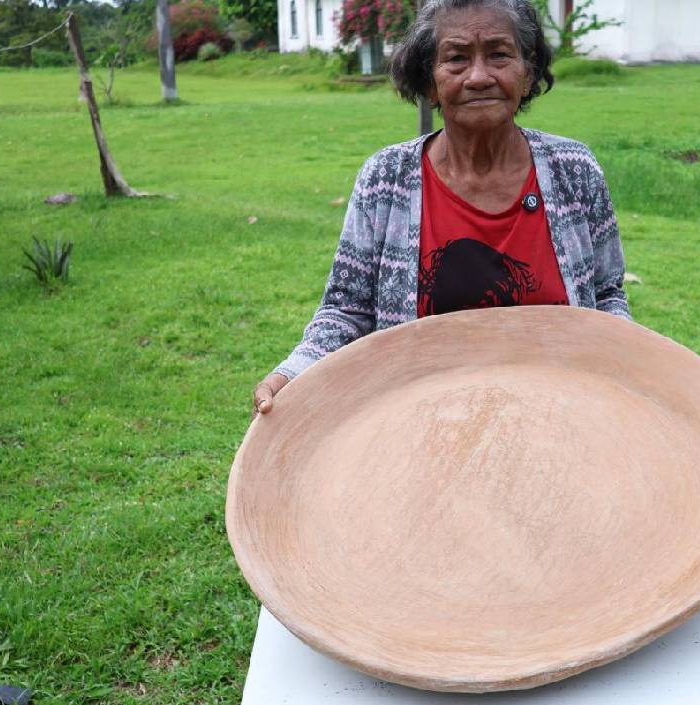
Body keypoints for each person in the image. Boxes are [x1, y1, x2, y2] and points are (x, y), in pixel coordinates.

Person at [254, 0, 630, 415]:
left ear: (528, 73)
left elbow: (606, 295)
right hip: (423, 423)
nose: (479, 76)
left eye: (499, 55)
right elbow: (347, 311)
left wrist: (629, 367)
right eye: (456, 58)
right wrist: (292, 372)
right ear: (429, 83)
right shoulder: (386, 178)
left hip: (559, 415)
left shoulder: (574, 169)